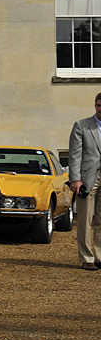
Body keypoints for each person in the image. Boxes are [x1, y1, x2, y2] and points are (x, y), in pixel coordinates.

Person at [67, 92, 101, 271]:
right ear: (95, 105)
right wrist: (75, 179)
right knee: (85, 220)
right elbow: (74, 154)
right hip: (87, 179)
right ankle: (87, 257)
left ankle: (99, 256)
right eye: (99, 105)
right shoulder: (82, 126)